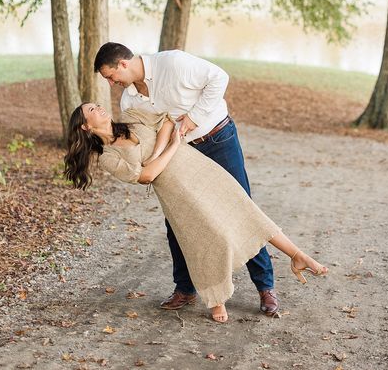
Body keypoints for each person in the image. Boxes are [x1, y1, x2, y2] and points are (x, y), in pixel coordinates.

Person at [64, 102, 328, 323]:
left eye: (98, 105)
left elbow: (168, 121)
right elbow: (147, 175)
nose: (99, 108)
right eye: (92, 110)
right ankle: (216, 299)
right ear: (85, 126)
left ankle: (298, 255)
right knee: (203, 239)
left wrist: (159, 150)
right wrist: (171, 147)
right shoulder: (109, 157)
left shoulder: (133, 118)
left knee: (245, 211)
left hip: (199, 170)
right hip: (176, 191)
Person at [92, 43, 280, 316]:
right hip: (181, 154)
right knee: (178, 220)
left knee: (241, 208)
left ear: (123, 64)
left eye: (111, 76)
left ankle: (265, 287)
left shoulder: (173, 64)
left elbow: (219, 78)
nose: (111, 83)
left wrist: (194, 117)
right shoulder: (128, 100)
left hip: (217, 138)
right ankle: (185, 288)